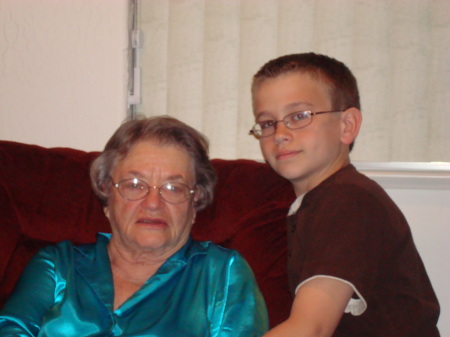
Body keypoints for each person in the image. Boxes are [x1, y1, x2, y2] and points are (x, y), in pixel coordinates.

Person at [0, 116, 268, 336]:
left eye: (173, 187)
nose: (153, 203)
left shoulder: (222, 272)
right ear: (107, 195)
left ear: (194, 201)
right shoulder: (58, 265)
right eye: (134, 185)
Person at [249, 52, 440, 337]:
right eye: (267, 123)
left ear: (347, 126)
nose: (279, 133)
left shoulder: (348, 202)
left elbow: (310, 328)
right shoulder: (319, 202)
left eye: (299, 116)